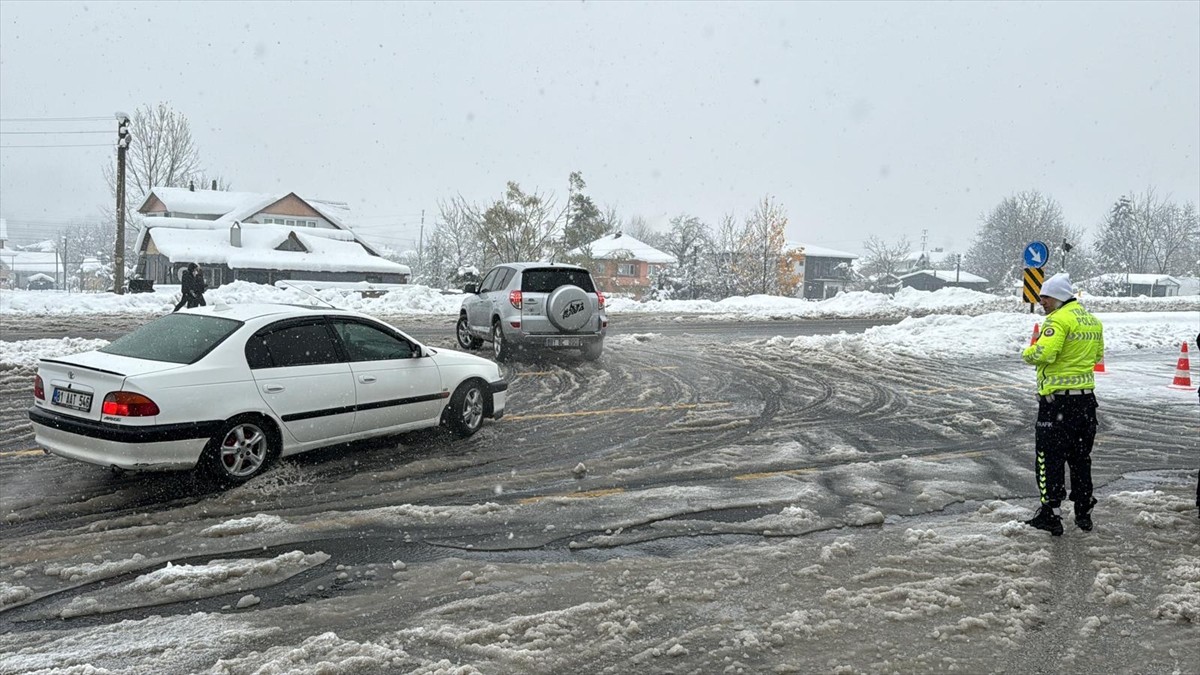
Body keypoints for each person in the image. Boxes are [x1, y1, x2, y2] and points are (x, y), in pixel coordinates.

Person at [1020, 272, 1104, 536]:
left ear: (1057, 297)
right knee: (1080, 458)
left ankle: (1051, 514)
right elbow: (1098, 355)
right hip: (1086, 402)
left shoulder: (1057, 320)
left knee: (1049, 458)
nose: (1042, 302)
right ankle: (1083, 511)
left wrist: (1027, 352)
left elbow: (1044, 352)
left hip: (1058, 404)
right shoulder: (1091, 321)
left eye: (1045, 297)